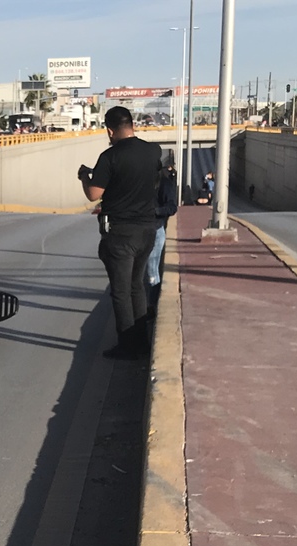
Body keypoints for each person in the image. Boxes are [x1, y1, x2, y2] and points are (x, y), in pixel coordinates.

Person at [79, 105, 162, 359]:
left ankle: (127, 346)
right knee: (137, 286)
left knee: (121, 291)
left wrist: (85, 177)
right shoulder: (152, 151)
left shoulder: (109, 157)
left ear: (110, 130)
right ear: (132, 125)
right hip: (148, 230)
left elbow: (94, 194)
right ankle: (141, 342)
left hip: (120, 234)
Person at [144, 157, 178, 317]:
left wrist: (155, 212)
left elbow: (171, 207)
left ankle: (152, 306)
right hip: (138, 231)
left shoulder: (164, 184)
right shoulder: (138, 184)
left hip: (155, 231)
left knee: (152, 270)